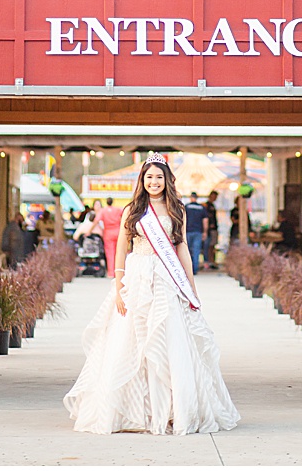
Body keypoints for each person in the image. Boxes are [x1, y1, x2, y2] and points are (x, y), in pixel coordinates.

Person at [64, 155, 240, 435]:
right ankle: (137, 411)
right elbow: (122, 247)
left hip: (167, 279)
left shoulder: (176, 209)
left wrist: (190, 286)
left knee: (168, 338)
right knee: (131, 338)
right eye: (149, 177)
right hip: (137, 276)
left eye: (159, 177)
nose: (154, 182)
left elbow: (181, 248)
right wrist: (119, 285)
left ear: (167, 179)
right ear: (142, 180)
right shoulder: (133, 209)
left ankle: (171, 410)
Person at [95, 198, 125, 279]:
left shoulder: (103, 211)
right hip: (118, 231)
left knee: (110, 253)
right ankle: (119, 271)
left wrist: (89, 231)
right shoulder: (117, 209)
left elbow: (96, 220)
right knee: (119, 252)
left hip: (108, 232)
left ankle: (111, 272)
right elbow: (125, 216)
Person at [184, 193, 211, 273]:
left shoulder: (186, 207)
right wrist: (205, 232)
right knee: (196, 251)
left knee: (187, 251)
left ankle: (187, 270)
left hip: (187, 231)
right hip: (198, 231)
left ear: (190, 198)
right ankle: (195, 269)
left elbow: (182, 219)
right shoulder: (201, 208)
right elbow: (205, 221)